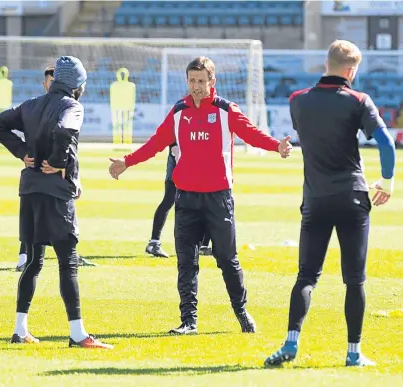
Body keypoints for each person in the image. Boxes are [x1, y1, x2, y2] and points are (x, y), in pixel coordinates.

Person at [109, 56, 292, 335]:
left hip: (218, 199)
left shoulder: (225, 110)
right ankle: (189, 322)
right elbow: (156, 142)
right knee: (186, 263)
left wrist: (275, 145)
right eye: (192, 81)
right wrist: (127, 161)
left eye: (201, 81)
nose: (196, 87)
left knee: (227, 260)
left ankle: (242, 313)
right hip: (186, 200)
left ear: (212, 82)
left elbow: (251, 134)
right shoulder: (179, 111)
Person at [264, 40, 396, 368]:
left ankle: (291, 342)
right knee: (354, 279)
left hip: (316, 198)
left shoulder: (298, 101)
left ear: (326, 64)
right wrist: (388, 182)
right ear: (352, 70)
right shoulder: (359, 100)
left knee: (306, 275)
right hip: (352, 197)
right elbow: (386, 142)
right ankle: (353, 352)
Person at [0, 56, 112, 349]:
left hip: (29, 190)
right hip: (55, 192)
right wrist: (57, 162)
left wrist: (21, 151)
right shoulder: (72, 106)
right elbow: (66, 131)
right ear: (77, 84)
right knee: (68, 263)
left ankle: (20, 329)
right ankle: (78, 334)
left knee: (32, 261)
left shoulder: (31, 104)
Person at [16, 66, 96, 272]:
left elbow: (71, 149)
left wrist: (74, 177)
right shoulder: (37, 107)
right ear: (45, 84)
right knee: (37, 223)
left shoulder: (66, 107)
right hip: (42, 177)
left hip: (55, 179)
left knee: (55, 221)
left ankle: (61, 256)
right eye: (50, 81)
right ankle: (25, 256)